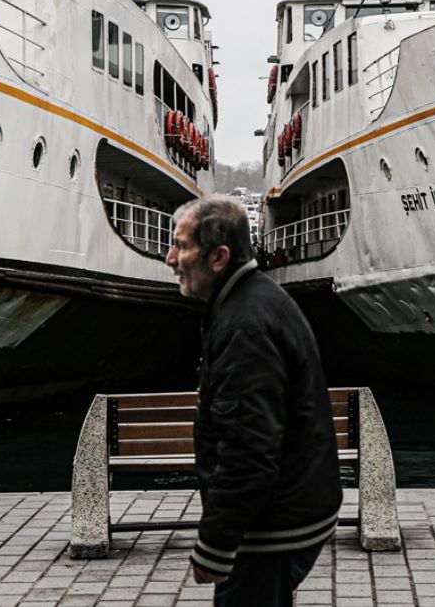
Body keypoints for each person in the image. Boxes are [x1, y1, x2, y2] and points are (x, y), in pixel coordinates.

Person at [165, 195, 341, 606]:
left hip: (271, 526)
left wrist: (215, 544)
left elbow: (248, 447)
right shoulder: (251, 300)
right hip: (289, 509)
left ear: (218, 257)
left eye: (181, 246)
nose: (170, 258)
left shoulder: (244, 325)